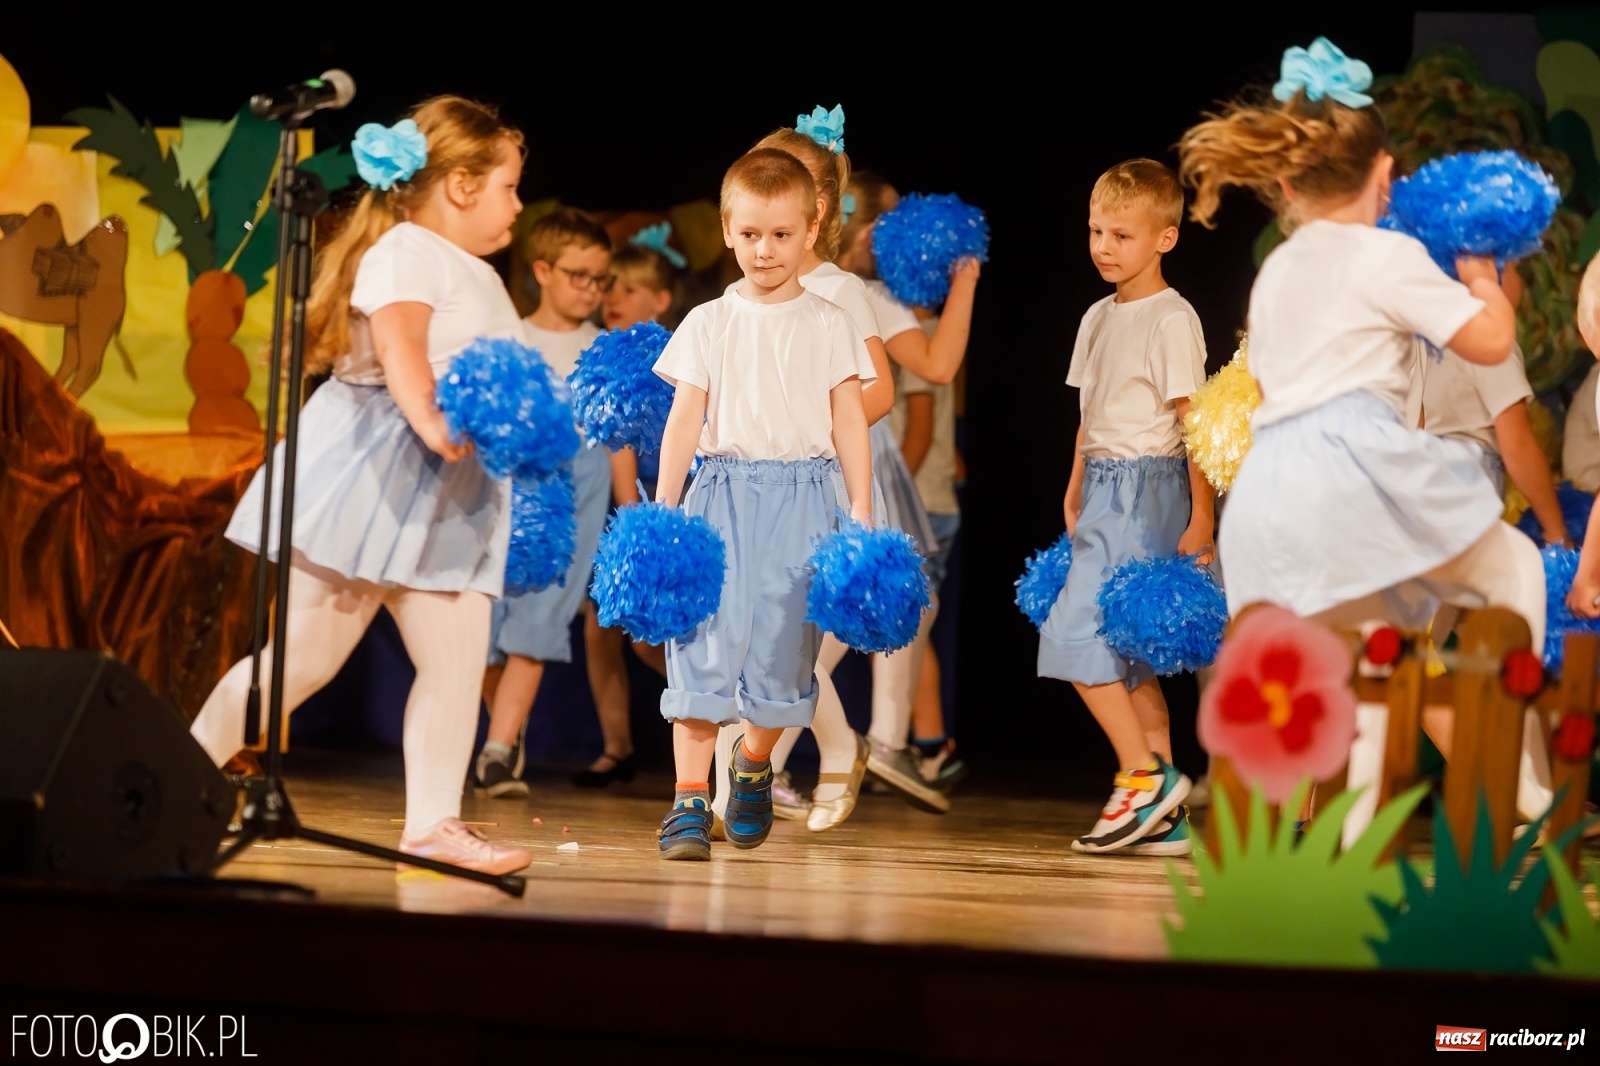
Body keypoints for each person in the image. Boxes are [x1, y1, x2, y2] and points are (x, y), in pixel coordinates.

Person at [1177, 36, 1546, 841]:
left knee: (1362, 661)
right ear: (1384, 178)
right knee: (1513, 564)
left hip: (1270, 491)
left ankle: (1328, 846)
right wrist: (1484, 275)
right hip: (1350, 471)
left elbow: (1269, 386)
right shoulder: (1389, 254)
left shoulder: (1276, 269)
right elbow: (1487, 342)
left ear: (1283, 182)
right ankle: (1515, 766)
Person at [188, 95, 533, 875]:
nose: (517, 203)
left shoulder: (472, 270)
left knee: (455, 663)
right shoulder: (406, 251)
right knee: (302, 660)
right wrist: (432, 424)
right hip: (380, 475)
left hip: (449, 490)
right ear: (462, 185)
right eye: (509, 187)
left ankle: (434, 823)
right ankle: (175, 774)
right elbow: (403, 347)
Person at [652, 146, 875, 860]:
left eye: (781, 234)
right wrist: (663, 508)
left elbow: (848, 420)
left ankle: (752, 764)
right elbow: (684, 420)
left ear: (812, 231)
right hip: (720, 496)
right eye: (750, 234)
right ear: (726, 230)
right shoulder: (708, 323)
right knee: (700, 650)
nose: (765, 249)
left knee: (785, 659)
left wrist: (861, 510)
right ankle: (689, 801)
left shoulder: (830, 321)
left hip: (806, 499)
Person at [1037, 157, 1214, 856]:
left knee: (1075, 638)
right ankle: (1164, 816)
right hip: (1105, 484)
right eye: (1096, 231)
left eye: (1121, 235)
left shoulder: (1172, 318)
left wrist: (1203, 517)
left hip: (1151, 489)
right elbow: (1090, 413)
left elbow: (1193, 423)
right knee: (1128, 659)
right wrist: (1075, 482)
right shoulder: (1095, 317)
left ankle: (1144, 776)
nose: (1104, 247)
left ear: (1165, 238)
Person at [475, 208, 617, 798]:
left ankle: (499, 749)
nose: (589, 289)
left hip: (574, 493)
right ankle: (507, 727)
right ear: (542, 270)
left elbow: (620, 439)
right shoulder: (510, 338)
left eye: (599, 279)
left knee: (539, 621)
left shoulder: (605, 350)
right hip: (506, 490)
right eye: (577, 275)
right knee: (485, 631)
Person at [567, 226, 685, 788]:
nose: (615, 298)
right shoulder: (603, 357)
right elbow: (615, 447)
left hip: (671, 509)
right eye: (611, 287)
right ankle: (617, 747)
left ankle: (719, 717)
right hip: (626, 512)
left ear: (662, 300)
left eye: (631, 290)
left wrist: (645, 523)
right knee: (602, 628)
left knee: (648, 639)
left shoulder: (680, 355)